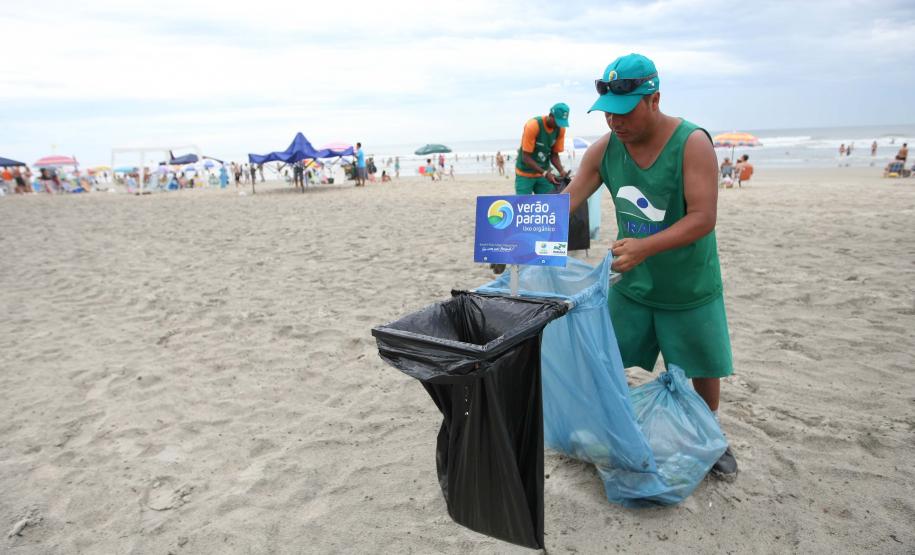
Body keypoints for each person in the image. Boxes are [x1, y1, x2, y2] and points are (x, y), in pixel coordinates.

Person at [564, 53, 737, 480]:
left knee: (702, 364)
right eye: (608, 114)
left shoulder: (691, 142)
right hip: (633, 280)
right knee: (607, 354)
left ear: (654, 99)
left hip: (687, 280)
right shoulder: (606, 149)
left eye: (625, 113)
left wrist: (645, 247)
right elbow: (568, 198)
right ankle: (616, 427)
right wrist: (516, 227)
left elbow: (703, 216)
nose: (615, 123)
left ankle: (710, 434)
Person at [515, 102, 570, 194]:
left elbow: (554, 155)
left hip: (543, 174)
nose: (558, 125)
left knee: (548, 202)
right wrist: (545, 173)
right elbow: (526, 158)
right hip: (525, 173)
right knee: (523, 205)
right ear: (550, 115)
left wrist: (561, 171)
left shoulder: (561, 129)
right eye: (557, 121)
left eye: (561, 123)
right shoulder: (533, 126)